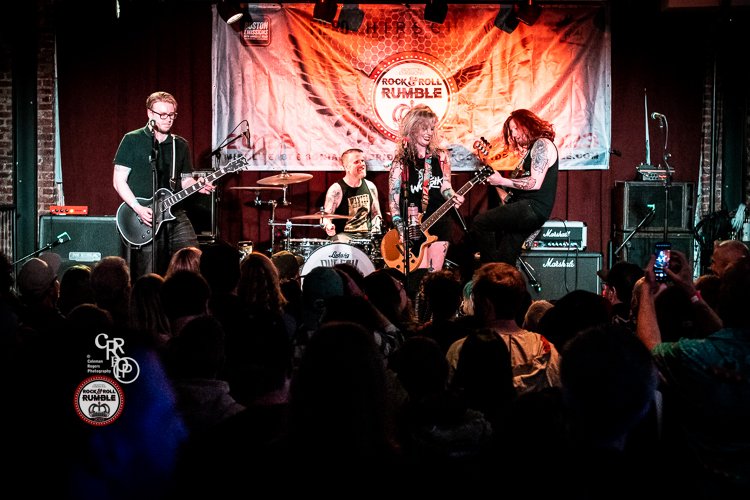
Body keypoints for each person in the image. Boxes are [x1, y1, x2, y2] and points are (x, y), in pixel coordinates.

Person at [113, 91, 214, 279]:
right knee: (149, 272)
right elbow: (119, 181)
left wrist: (197, 185)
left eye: (172, 115)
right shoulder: (132, 140)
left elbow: (185, 180)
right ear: (149, 113)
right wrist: (138, 208)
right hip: (145, 216)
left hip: (175, 212)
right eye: (163, 115)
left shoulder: (180, 144)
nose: (168, 119)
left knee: (193, 260)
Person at [470, 108, 558, 266]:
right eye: (511, 131)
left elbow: (534, 183)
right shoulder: (531, 150)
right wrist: (497, 182)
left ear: (528, 124)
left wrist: (502, 181)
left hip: (532, 208)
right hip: (529, 210)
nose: (514, 134)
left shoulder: (542, 144)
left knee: (480, 222)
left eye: (516, 128)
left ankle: (487, 272)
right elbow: (511, 195)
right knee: (505, 260)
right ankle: (500, 277)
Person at [386, 104, 464, 273]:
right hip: (414, 226)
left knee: (434, 276)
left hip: (439, 220)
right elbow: (394, 200)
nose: (429, 132)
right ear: (413, 128)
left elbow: (445, 185)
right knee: (418, 275)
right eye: (424, 128)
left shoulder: (441, 156)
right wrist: (400, 228)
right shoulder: (401, 162)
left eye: (432, 128)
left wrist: (452, 195)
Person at [321, 148, 383, 241]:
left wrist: (376, 226)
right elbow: (325, 217)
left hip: (366, 237)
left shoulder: (370, 187)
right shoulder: (336, 190)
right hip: (344, 237)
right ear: (347, 167)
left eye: (362, 161)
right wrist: (328, 226)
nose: (362, 164)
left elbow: (376, 215)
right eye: (356, 162)